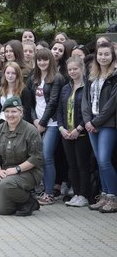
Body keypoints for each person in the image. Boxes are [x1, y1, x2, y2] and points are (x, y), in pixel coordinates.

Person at [0, 97, 43, 216]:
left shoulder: (30, 130)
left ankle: (29, 201)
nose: (10, 115)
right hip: (7, 172)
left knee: (6, 184)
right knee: (2, 210)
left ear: (21, 112)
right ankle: (20, 202)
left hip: (29, 171)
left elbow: (36, 158)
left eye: (14, 111)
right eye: (7, 112)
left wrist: (16, 169)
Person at [27, 49, 65, 205]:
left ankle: (49, 193)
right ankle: (43, 189)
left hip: (53, 123)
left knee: (46, 156)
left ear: (50, 60)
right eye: (39, 60)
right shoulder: (33, 78)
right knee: (39, 157)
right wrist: (35, 120)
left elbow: (53, 102)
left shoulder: (57, 78)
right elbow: (29, 103)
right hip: (38, 123)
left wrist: (42, 123)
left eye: (45, 60)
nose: (42, 63)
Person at [82, 41, 117, 213]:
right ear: (96, 56)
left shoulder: (115, 76)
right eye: (100, 54)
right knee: (99, 161)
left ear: (112, 56)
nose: (103, 57)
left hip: (107, 124)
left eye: (106, 54)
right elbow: (85, 101)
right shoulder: (91, 74)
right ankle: (104, 195)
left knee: (104, 160)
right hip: (91, 124)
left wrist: (95, 123)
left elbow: (112, 105)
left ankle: (113, 197)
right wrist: (88, 121)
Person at [58, 56, 91, 207]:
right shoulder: (66, 88)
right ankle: (76, 193)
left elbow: (90, 111)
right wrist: (61, 128)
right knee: (71, 165)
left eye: (75, 69)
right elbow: (59, 111)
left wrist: (79, 128)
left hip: (82, 133)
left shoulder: (88, 87)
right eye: (70, 69)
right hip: (66, 133)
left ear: (82, 69)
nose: (72, 72)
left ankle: (84, 195)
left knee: (82, 164)